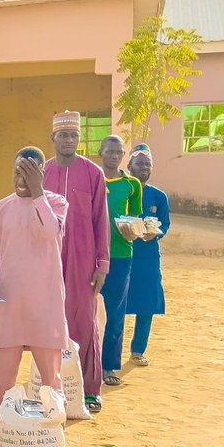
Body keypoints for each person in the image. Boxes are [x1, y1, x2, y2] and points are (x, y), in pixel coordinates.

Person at [0, 146, 74, 447]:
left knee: (51, 380)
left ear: (42, 172)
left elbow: (49, 233)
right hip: (9, 305)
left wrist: (37, 194)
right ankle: (0, 433)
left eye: (31, 172)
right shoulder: (2, 209)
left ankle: (56, 440)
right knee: (5, 380)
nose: (23, 178)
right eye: (19, 171)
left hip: (45, 305)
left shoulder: (56, 203)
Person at [43, 111, 110, 414]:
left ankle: (90, 388)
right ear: (53, 138)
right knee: (50, 323)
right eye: (63, 135)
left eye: (74, 136)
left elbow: (101, 221)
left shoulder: (93, 173)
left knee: (84, 320)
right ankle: (49, 387)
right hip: (47, 259)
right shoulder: (41, 172)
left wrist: (102, 263)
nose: (69, 141)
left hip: (83, 259)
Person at [99, 135, 142, 386]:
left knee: (116, 312)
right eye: (111, 151)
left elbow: (135, 220)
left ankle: (109, 366)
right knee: (86, 312)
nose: (115, 156)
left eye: (119, 152)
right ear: (101, 152)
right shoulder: (92, 179)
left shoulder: (132, 185)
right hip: (92, 256)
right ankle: (85, 364)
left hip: (121, 255)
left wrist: (133, 233)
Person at [126, 146, 169, 367]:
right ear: (129, 166)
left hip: (148, 259)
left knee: (146, 305)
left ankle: (138, 350)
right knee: (116, 305)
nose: (144, 168)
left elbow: (165, 225)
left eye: (147, 164)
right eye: (140, 164)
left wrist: (153, 233)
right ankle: (108, 350)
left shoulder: (159, 197)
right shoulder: (122, 191)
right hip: (123, 256)